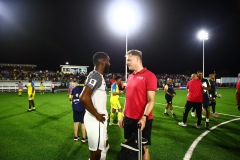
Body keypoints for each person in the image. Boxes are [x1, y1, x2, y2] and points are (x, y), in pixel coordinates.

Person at [118, 49, 157, 160]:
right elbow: (127, 99)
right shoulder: (130, 77)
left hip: (142, 120)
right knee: (129, 146)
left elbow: (151, 100)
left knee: (143, 148)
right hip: (129, 118)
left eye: (129, 60)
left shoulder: (150, 76)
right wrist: (123, 115)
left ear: (137, 59)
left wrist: (144, 117)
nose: (127, 62)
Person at [80, 52, 110, 160]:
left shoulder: (97, 75)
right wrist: (97, 115)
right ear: (103, 62)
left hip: (98, 120)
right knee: (96, 153)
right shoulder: (96, 76)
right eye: (108, 61)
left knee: (102, 149)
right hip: (96, 120)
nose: (109, 64)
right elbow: (83, 97)